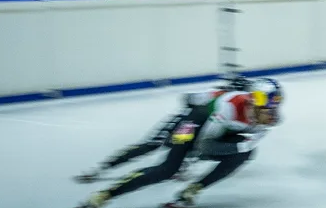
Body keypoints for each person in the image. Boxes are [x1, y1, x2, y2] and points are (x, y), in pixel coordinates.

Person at [67, 78, 283, 208]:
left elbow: (214, 147)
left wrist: (240, 148)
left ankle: (192, 190)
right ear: (253, 103)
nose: (271, 117)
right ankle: (104, 189)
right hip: (191, 122)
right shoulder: (227, 105)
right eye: (267, 110)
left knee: (245, 153)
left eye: (274, 109)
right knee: (163, 160)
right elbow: (203, 143)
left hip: (216, 130)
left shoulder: (266, 120)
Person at [72, 73, 254, 184]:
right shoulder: (218, 96)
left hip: (192, 126)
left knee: (197, 145)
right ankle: (103, 167)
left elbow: (188, 99)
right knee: (154, 144)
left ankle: (182, 165)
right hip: (186, 125)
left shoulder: (230, 102)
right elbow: (188, 99)